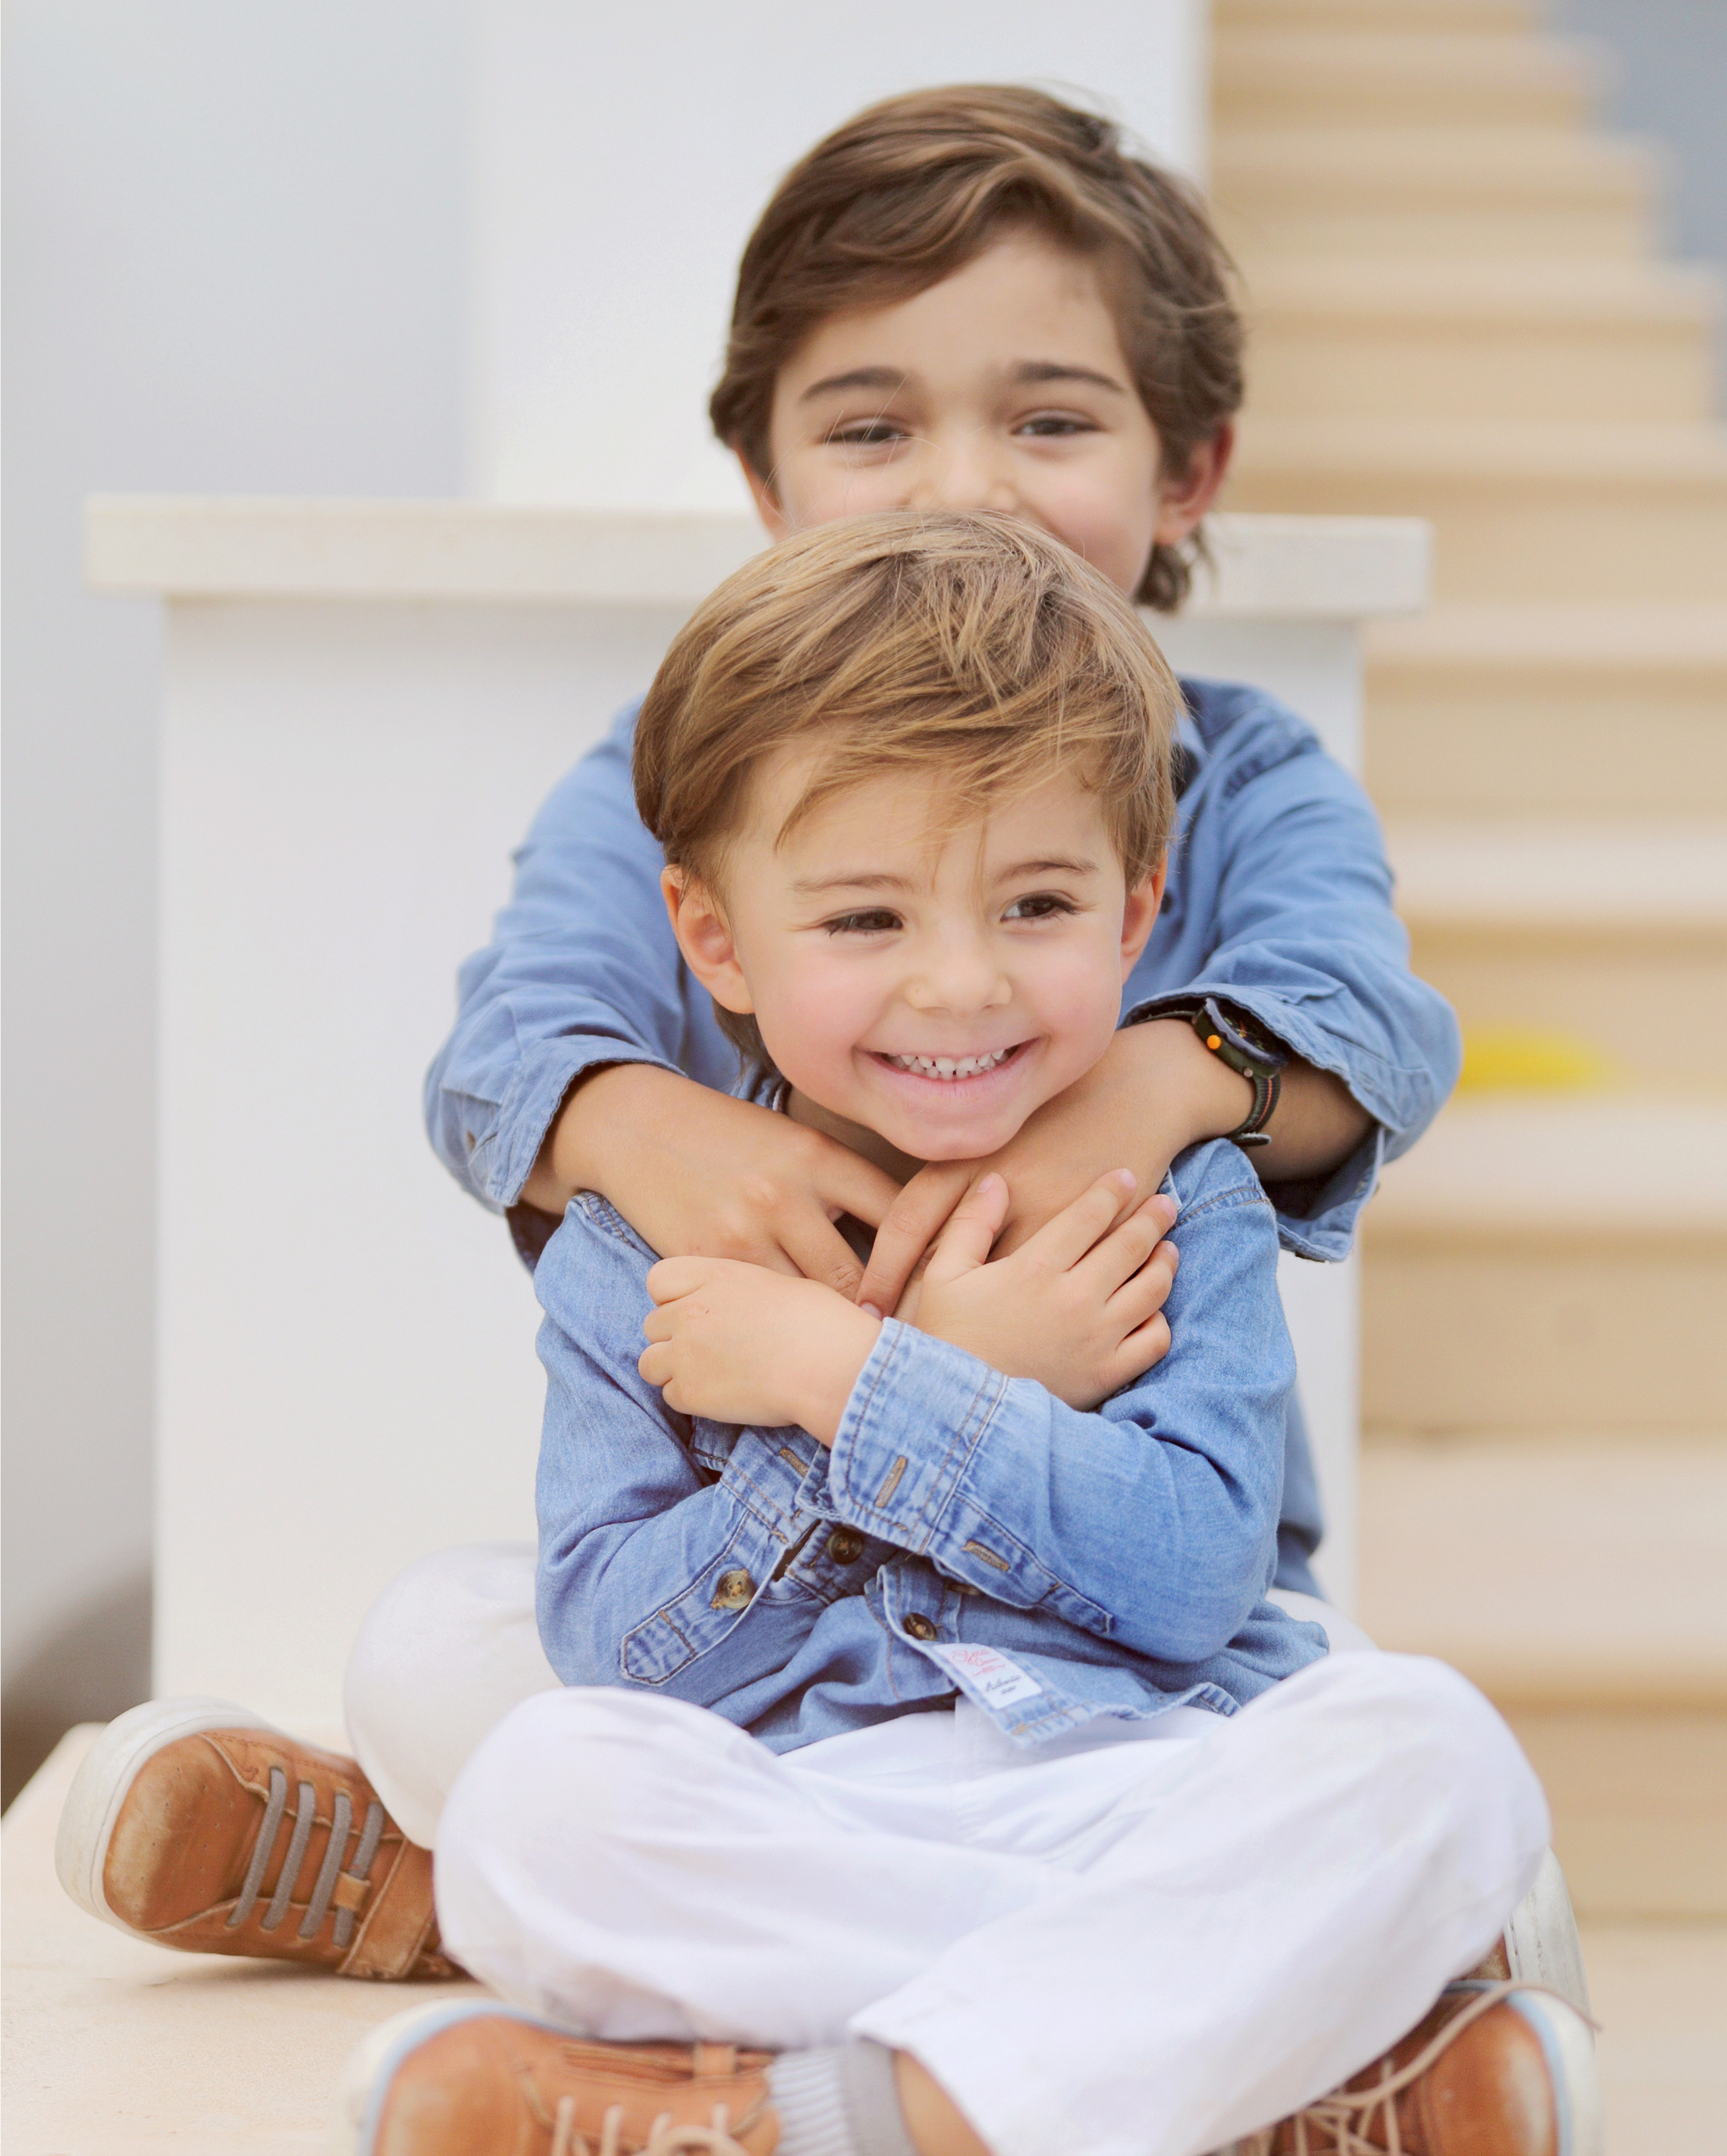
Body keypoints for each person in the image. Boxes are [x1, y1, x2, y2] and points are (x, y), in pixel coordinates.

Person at [56, 88, 1490, 1970]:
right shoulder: (683, 777)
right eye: (874, 425)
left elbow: (1367, 1022)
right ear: (766, 479)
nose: (964, 483)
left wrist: (1134, 1099)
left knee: (1392, 1740)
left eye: (1050, 419)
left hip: (1122, 1648)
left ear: (1187, 470)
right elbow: (511, 1050)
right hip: (782, 1637)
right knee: (437, 1649)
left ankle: (501, 1910)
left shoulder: (1247, 789)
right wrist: (665, 1139)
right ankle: (1168, 1994)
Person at [321, 515, 1597, 2156]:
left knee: (1438, 1761)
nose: (963, 982)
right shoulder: (643, 1242)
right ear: (714, 940)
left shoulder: (1174, 1201)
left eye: (1039, 907)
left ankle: (827, 2133)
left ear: (1137, 913)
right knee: (544, 1803)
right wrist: (903, 1408)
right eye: (866, 917)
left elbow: (1190, 1577)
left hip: (1131, 1781)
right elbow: (624, 1653)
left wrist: (859, 1380)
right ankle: (1242, 2067)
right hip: (811, 1804)